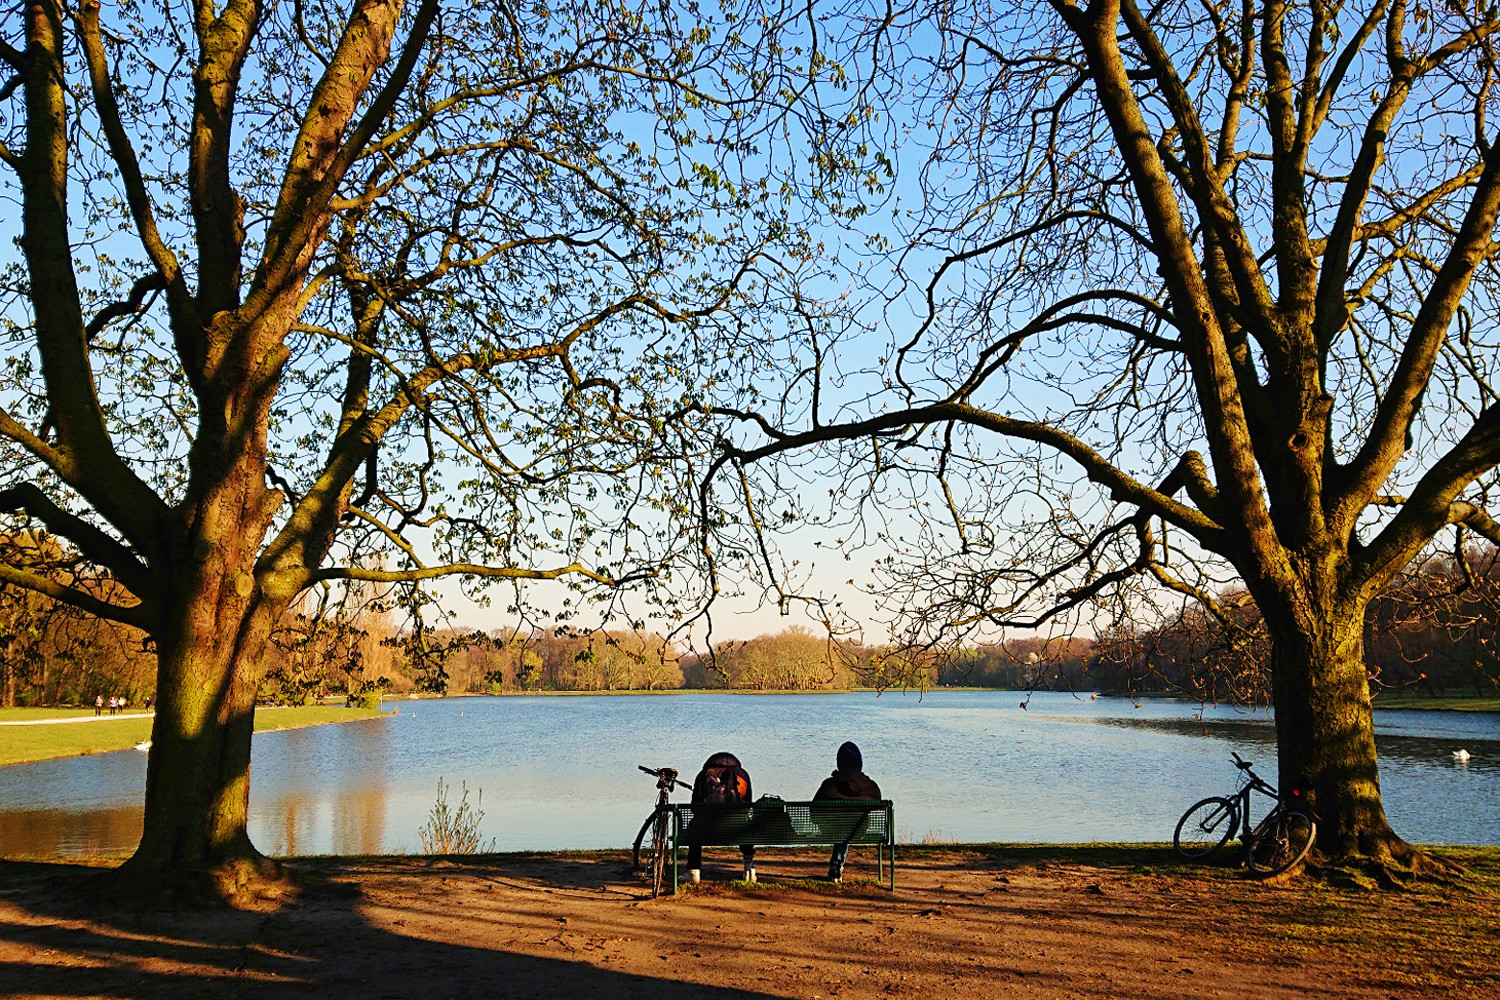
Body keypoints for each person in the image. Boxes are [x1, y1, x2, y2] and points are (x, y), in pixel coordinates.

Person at [814, 741, 882, 882]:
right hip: (858, 832)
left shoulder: (829, 785)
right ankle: (837, 865)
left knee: (841, 828)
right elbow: (878, 804)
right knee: (848, 827)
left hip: (829, 831)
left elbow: (813, 811)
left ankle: (835, 866)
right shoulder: (870, 787)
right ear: (859, 763)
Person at [685, 751, 756, 885]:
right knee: (745, 821)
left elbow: (694, 807)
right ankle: (749, 868)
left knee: (694, 826)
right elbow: (747, 805)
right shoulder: (742, 775)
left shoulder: (703, 776)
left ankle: (693, 870)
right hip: (737, 831)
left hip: (707, 830)